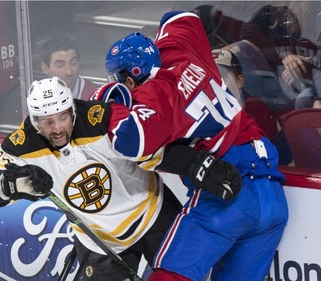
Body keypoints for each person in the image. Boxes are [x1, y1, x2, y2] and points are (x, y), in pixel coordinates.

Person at [0, 77, 241, 280]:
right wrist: (18, 183)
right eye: (47, 122)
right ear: (34, 120)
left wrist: (196, 165)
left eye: (62, 118)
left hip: (154, 215)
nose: (57, 129)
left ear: (72, 110)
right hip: (100, 241)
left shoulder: (100, 120)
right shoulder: (21, 146)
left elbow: (151, 149)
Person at [103, 11, 288, 281]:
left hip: (229, 193)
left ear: (129, 80)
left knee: (168, 276)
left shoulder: (152, 99)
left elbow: (131, 142)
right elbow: (180, 16)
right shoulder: (180, 51)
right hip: (272, 193)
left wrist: (111, 105)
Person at [212, 48, 293, 165]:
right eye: (211, 76)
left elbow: (258, 162)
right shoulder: (210, 112)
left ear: (240, 81)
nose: (216, 83)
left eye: (223, 76)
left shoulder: (256, 111)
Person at [40, 33, 98, 100]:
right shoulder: (38, 96)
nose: (69, 72)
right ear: (45, 68)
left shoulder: (97, 96)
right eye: (60, 65)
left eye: (73, 63)